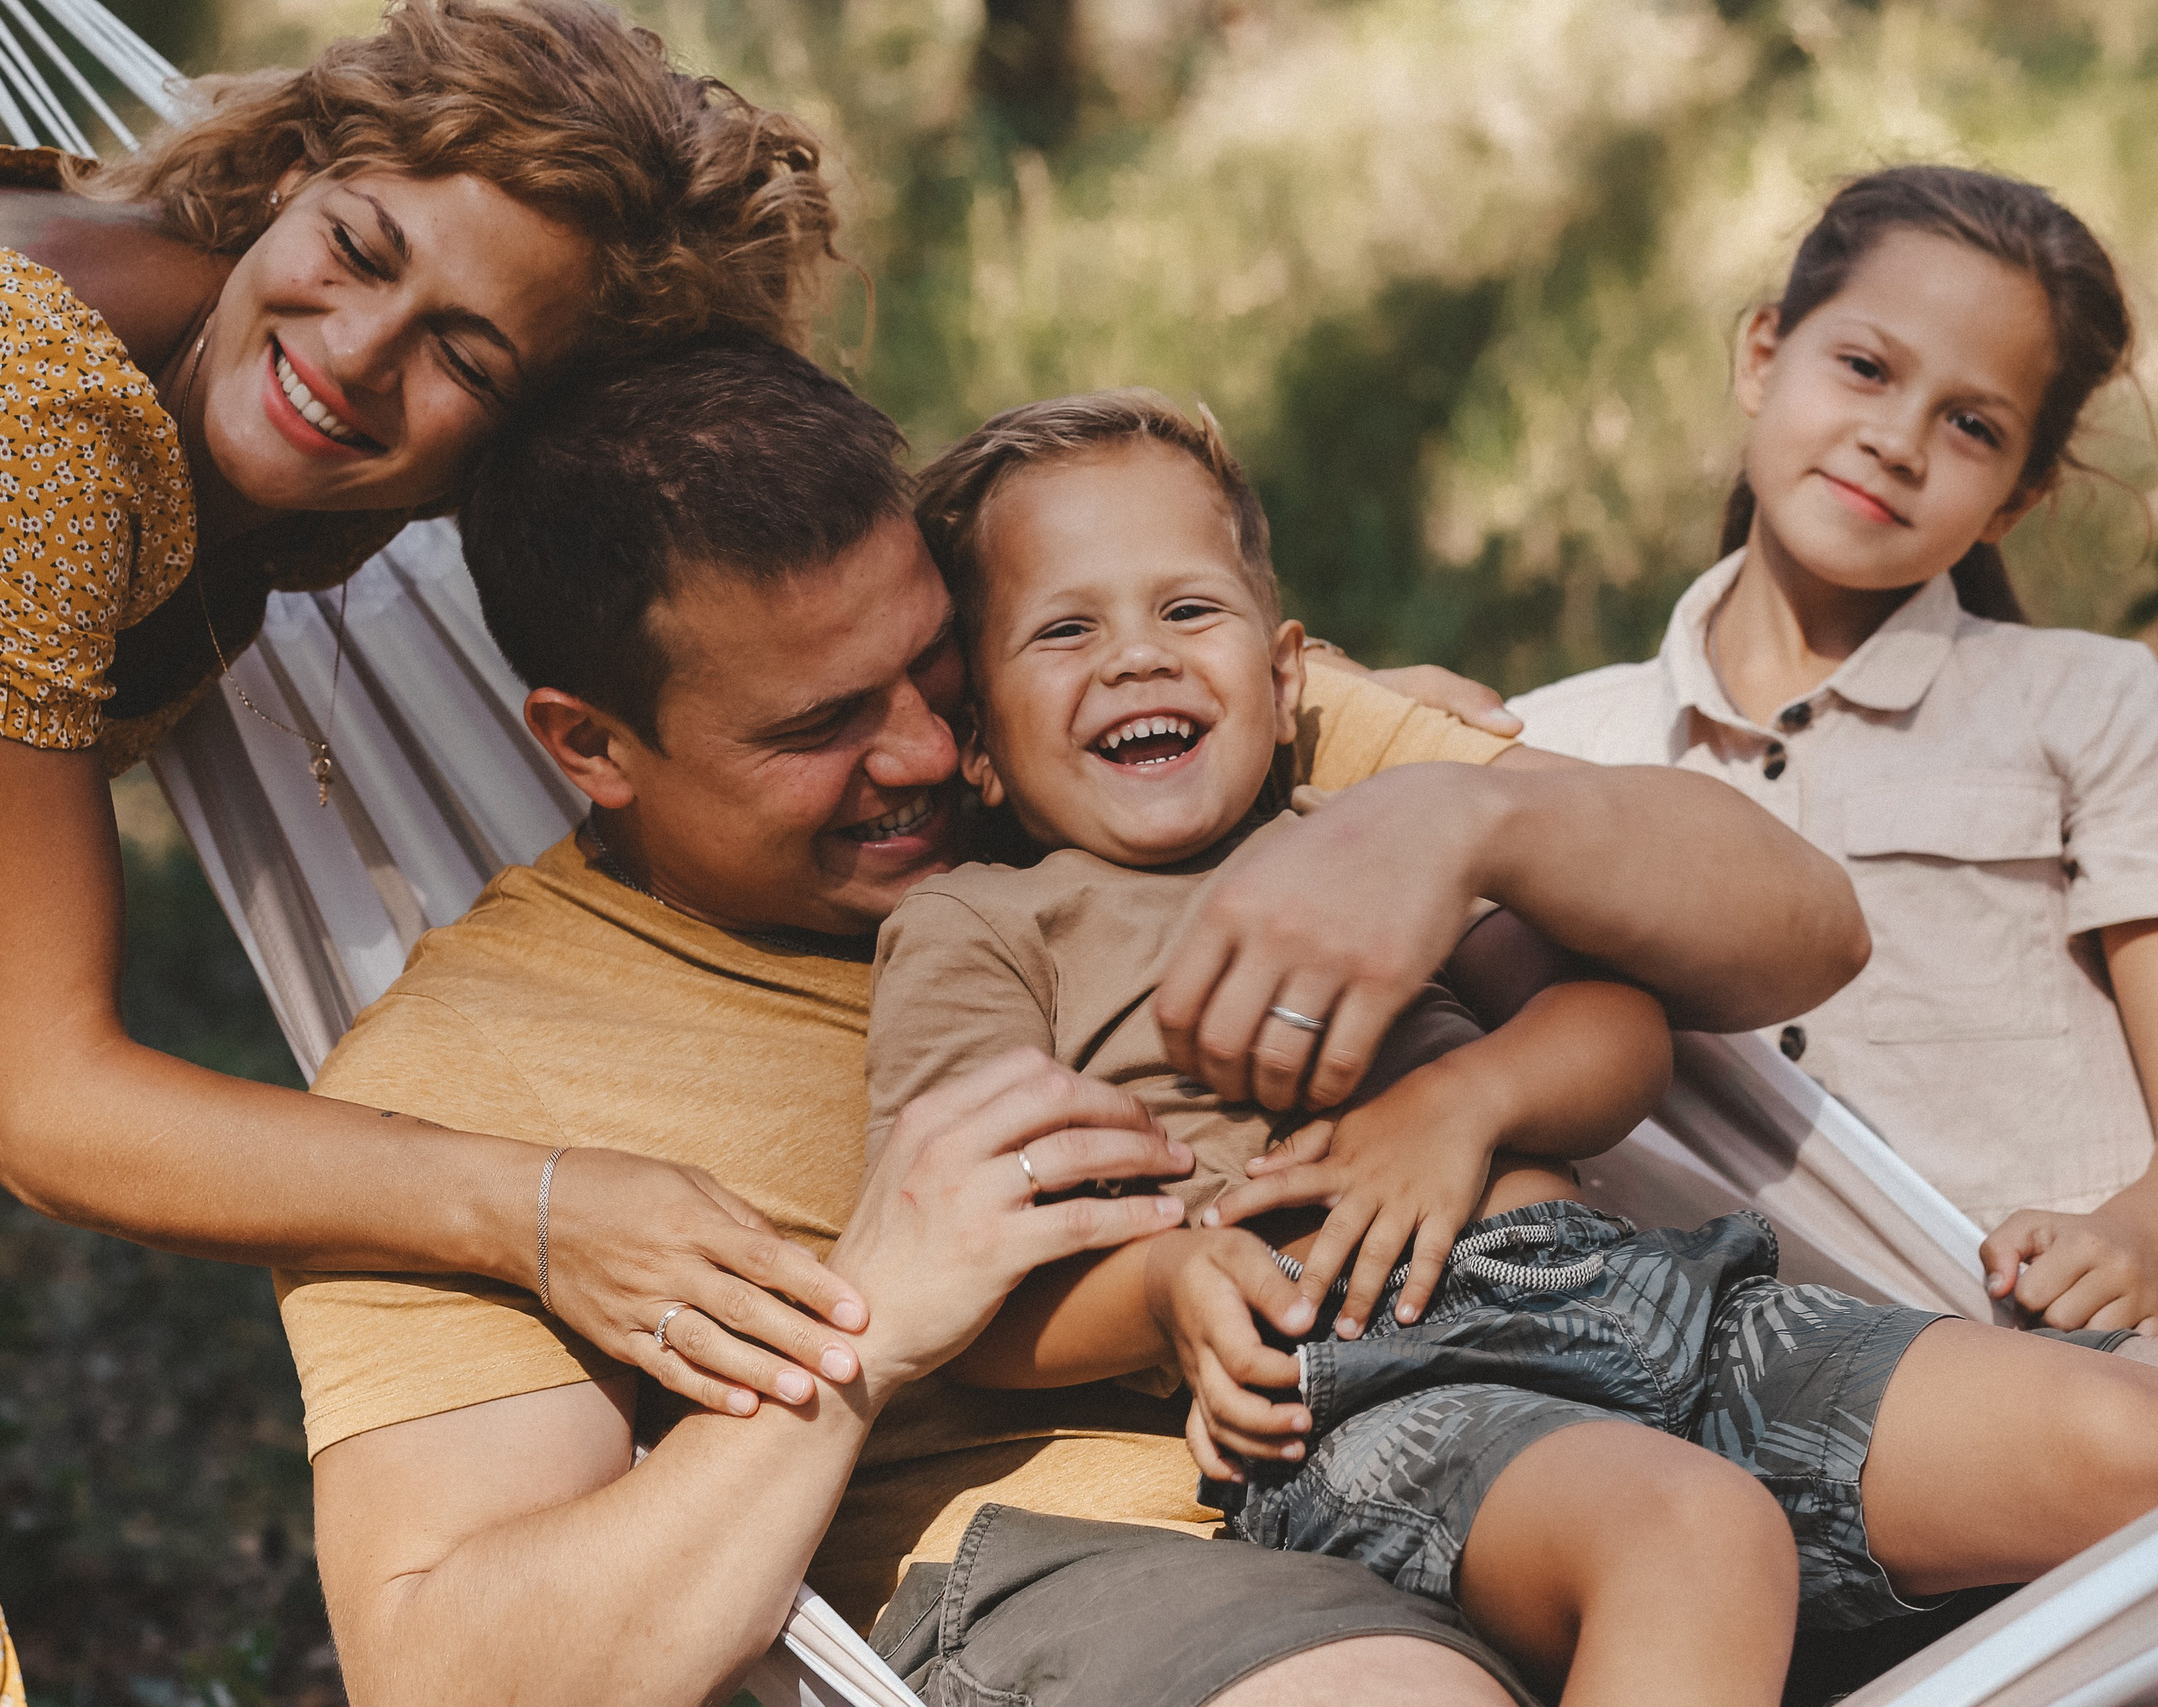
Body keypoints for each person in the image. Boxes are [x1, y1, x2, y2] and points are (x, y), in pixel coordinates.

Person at [276, 335, 1882, 1707]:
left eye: (928, 665)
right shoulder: (461, 1076)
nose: (922, 753)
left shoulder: (1130, 727)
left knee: (2118, 1456)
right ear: (589, 742)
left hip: (1583, 1398)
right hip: (1093, 1564)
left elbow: (1798, 927)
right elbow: (446, 1670)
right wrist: (872, 1325)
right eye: (823, 725)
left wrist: (1479, 824)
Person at [867, 389, 2158, 1707]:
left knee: (2150, 1428)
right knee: (1696, 1533)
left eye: (1188, 609)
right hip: (1378, 1387)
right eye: (1064, 631)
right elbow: (972, 1289)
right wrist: (1168, 1283)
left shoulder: (1362, 842)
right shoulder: (985, 926)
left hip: (1660, 1304)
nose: (1135, 656)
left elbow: (1617, 1029)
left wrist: (1465, 1099)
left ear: (1287, 666)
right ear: (980, 743)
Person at [0, 4, 895, 1691]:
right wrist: (527, 1206)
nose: (358, 351)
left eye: (467, 354)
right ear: (294, 171)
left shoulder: (223, 374)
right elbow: (42, 1102)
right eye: (360, 247)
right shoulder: (15, 417)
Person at [1505, 165, 2158, 1352]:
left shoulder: (2084, 700)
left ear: (2015, 497)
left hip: (2116, 1376)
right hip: (1777, 1409)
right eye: (1865, 369)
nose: (1895, 440)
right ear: (1762, 355)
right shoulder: (1552, 747)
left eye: (1971, 425)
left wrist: (2138, 1235)